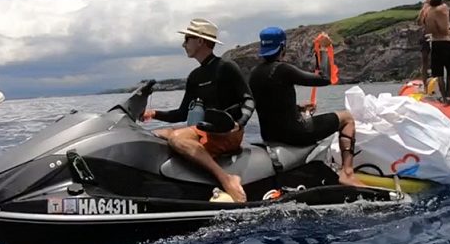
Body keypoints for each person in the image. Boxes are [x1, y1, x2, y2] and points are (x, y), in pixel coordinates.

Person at [141, 18, 254, 203]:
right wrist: (153, 114)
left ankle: (227, 179)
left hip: (228, 131)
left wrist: (239, 123)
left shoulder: (226, 67)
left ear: (200, 41)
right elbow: (182, 114)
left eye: (187, 39)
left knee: (177, 138)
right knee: (157, 133)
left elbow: (248, 100)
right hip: (207, 129)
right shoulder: (195, 76)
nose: (183, 44)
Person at [248, 26, 366, 188]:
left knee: (306, 118)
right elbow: (324, 79)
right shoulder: (283, 69)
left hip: (270, 136)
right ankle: (347, 173)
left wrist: (298, 109)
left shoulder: (254, 74)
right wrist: (323, 49)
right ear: (283, 47)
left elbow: (270, 104)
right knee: (347, 118)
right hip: (295, 133)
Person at [422, 0, 450, 101]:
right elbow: (446, 23)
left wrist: (427, 4)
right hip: (446, 41)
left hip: (435, 42)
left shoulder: (428, 13)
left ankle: (444, 98)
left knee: (439, 74)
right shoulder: (443, 8)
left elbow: (424, 24)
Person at [416, 0, 433, 81]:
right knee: (425, 61)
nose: (428, 0)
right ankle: (425, 83)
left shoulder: (436, 7)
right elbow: (419, 21)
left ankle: (430, 80)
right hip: (426, 34)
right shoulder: (425, 9)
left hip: (433, 34)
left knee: (431, 60)